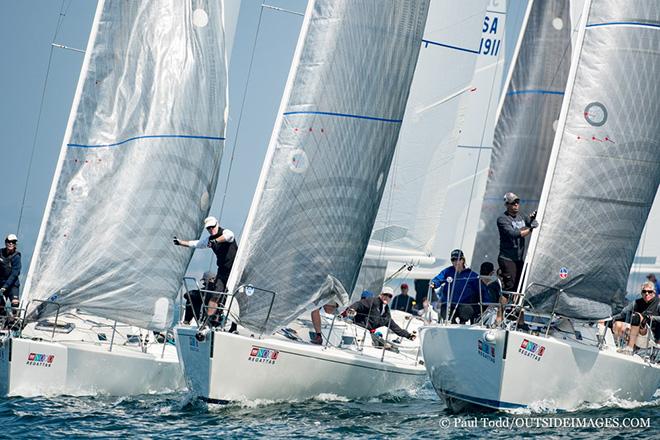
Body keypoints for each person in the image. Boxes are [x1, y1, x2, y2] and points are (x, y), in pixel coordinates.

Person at [174, 216, 237, 293]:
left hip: (235, 268)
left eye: (212, 226)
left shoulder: (225, 232)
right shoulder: (209, 240)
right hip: (222, 271)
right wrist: (180, 243)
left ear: (217, 224)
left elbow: (230, 236)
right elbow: (196, 244)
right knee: (215, 296)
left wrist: (216, 241)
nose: (211, 229)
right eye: (208, 228)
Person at [497, 192, 538, 292]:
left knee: (520, 286)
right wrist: (530, 230)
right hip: (507, 259)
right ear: (507, 205)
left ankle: (514, 307)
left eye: (517, 202)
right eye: (513, 203)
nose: (516, 204)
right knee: (510, 287)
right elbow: (513, 234)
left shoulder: (522, 216)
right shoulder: (502, 219)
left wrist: (534, 217)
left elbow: (533, 223)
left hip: (518, 259)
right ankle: (503, 308)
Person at [430, 249, 481, 324]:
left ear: (463, 260)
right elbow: (439, 278)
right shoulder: (447, 271)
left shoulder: (471, 275)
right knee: (446, 315)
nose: (456, 262)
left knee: (467, 312)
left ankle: (463, 327)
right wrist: (434, 283)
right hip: (449, 304)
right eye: (453, 260)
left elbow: (480, 290)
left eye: (458, 259)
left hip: (464, 304)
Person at [346, 286, 416, 341]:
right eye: (385, 294)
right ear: (381, 295)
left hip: (367, 335)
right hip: (358, 330)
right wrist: (352, 309)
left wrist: (408, 336)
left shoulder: (386, 313)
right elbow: (359, 304)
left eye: (390, 296)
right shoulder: (373, 301)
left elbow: (396, 328)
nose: (387, 297)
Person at [611, 281, 659, 354]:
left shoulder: (658, 303)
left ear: (654, 292)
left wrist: (651, 318)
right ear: (641, 293)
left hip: (651, 337)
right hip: (636, 333)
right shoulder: (637, 302)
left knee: (637, 316)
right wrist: (609, 318)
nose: (647, 294)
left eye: (649, 292)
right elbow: (623, 313)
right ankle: (618, 347)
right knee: (618, 324)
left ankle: (630, 348)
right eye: (644, 291)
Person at [0, 234, 21, 319]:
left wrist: (5, 286)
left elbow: (14, 274)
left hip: (12, 285)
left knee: (15, 303)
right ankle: (2, 319)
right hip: (1, 283)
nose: (11, 243)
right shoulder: (0, 253)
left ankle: (14, 320)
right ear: (5, 242)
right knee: (0, 305)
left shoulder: (16, 257)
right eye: (9, 241)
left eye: (13, 242)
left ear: (15, 244)